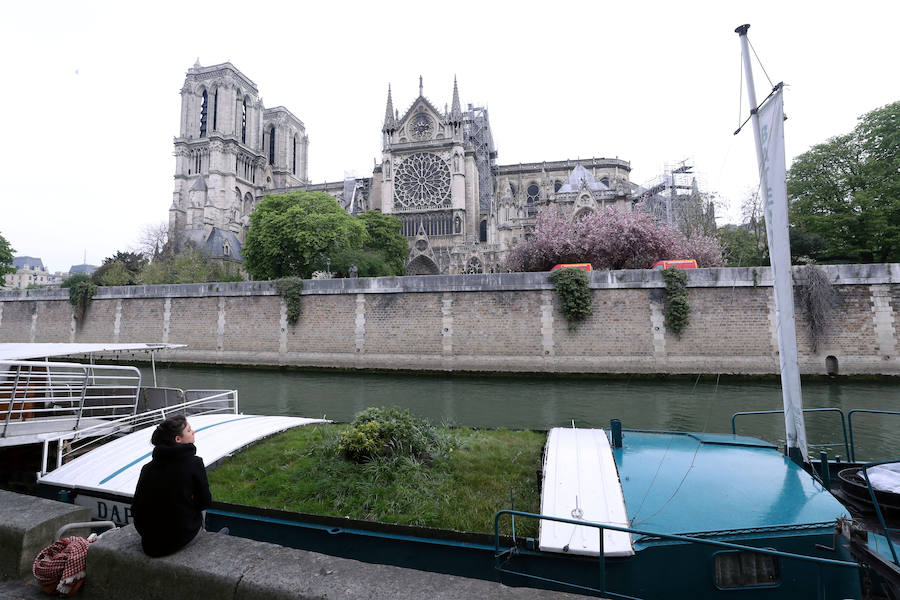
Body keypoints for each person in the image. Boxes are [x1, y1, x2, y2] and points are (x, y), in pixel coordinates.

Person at [131, 414, 212, 557]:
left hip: (149, 542)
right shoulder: (194, 463)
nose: (193, 432)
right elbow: (205, 502)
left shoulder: (147, 468)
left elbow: (136, 507)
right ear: (178, 439)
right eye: (188, 430)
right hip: (178, 538)